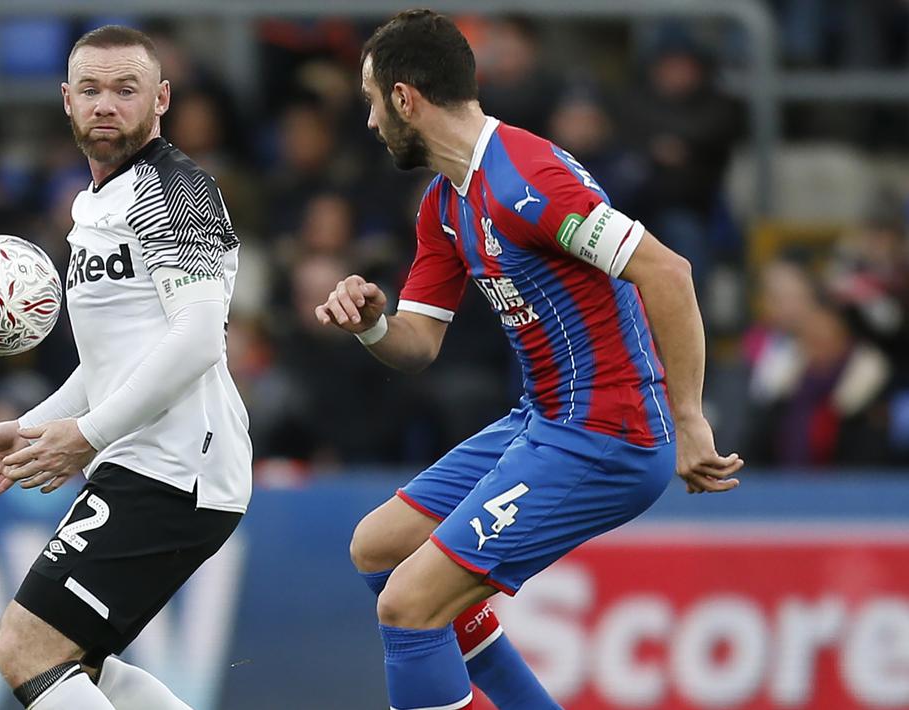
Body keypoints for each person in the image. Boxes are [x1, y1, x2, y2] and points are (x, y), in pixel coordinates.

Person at [317, 11, 742, 710]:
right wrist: (372, 324)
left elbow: (667, 273)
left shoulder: (527, 179)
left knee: (408, 607)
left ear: (404, 99)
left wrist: (689, 419)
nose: (367, 122)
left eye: (370, 100)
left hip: (608, 435)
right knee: (379, 547)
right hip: (544, 420)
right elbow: (417, 345)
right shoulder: (443, 204)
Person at [0, 26, 250, 710]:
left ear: (162, 98)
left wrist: (85, 435)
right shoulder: (96, 205)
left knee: (26, 646)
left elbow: (198, 338)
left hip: (181, 468)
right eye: (90, 90)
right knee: (74, 660)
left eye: (126, 90)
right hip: (145, 460)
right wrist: (35, 427)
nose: (105, 105)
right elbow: (108, 363)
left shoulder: (174, 191)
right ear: (65, 99)